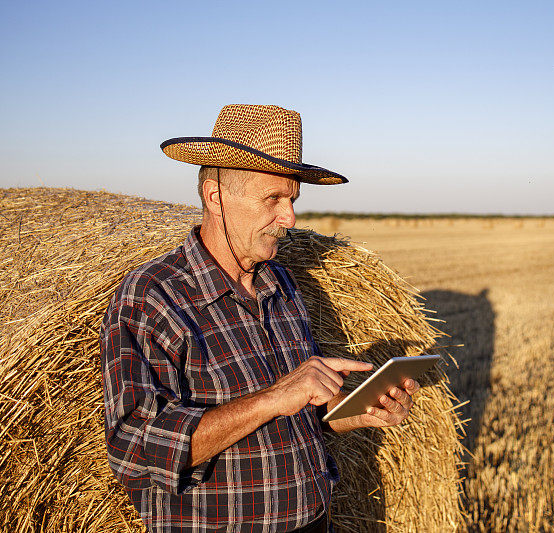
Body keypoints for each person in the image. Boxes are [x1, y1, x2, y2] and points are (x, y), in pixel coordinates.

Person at [100, 104, 420, 532]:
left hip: (315, 521)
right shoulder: (154, 296)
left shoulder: (281, 285)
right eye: (273, 199)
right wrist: (272, 397)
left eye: (292, 200)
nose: (289, 219)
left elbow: (295, 418)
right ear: (216, 197)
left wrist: (357, 412)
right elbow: (133, 448)